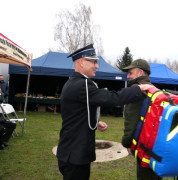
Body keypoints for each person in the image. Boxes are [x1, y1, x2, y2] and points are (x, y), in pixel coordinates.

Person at [56, 44, 154, 180]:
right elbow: (111, 98)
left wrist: (95, 122)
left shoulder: (73, 82)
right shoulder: (82, 84)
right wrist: (138, 89)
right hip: (75, 154)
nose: (97, 66)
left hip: (71, 151)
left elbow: (77, 113)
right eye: (94, 62)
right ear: (81, 62)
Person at [121, 59, 161, 180]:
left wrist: (127, 143)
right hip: (157, 146)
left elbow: (131, 119)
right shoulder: (155, 90)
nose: (128, 76)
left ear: (140, 73)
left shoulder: (137, 89)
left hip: (143, 146)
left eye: (131, 73)